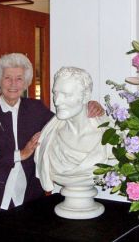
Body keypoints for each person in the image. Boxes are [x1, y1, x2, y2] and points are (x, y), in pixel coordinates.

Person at [0, 54, 104, 240]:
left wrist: (90, 105)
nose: (13, 84)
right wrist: (19, 154)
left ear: (26, 82)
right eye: (7, 78)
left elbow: (64, 121)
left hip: (29, 194)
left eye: (19, 78)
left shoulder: (36, 109)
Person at [34, 67, 111, 219]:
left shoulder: (108, 136)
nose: (57, 101)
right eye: (55, 93)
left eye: (66, 95)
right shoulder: (49, 134)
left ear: (85, 96)